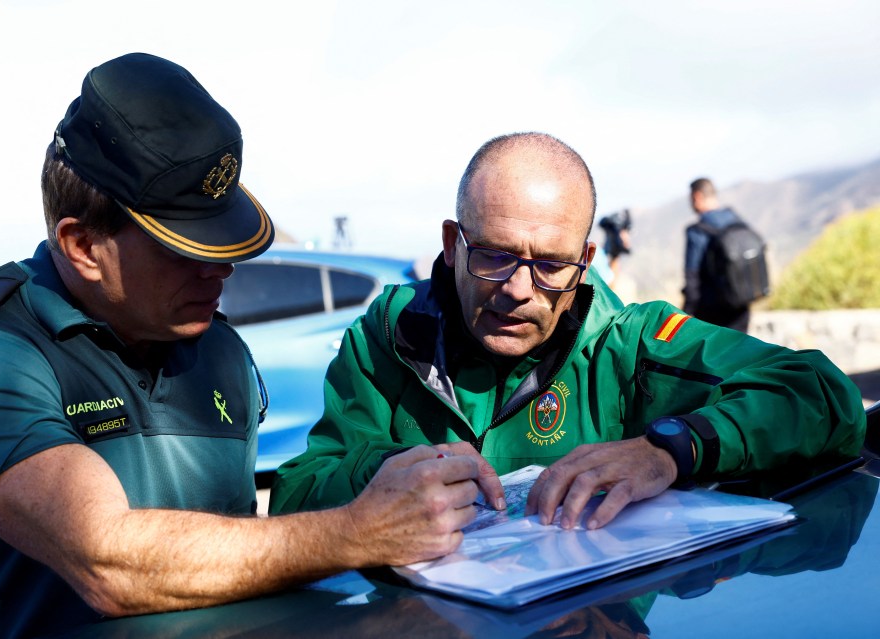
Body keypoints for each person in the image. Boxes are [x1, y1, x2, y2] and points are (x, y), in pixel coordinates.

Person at [0, 53, 487, 639]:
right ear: (83, 244)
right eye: (185, 249)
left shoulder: (219, 351)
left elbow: (237, 558)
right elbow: (105, 560)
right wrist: (356, 530)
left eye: (225, 244)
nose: (221, 271)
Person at [269, 132, 865, 534]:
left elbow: (821, 391)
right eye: (495, 255)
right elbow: (297, 494)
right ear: (452, 245)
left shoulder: (629, 345)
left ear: (585, 260)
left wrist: (668, 450)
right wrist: (388, 473)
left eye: (551, 264)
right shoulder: (386, 338)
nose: (519, 289)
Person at [682, 177, 752, 331]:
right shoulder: (735, 219)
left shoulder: (698, 231)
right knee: (740, 353)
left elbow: (692, 277)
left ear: (697, 197)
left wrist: (685, 315)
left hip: (711, 312)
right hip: (741, 306)